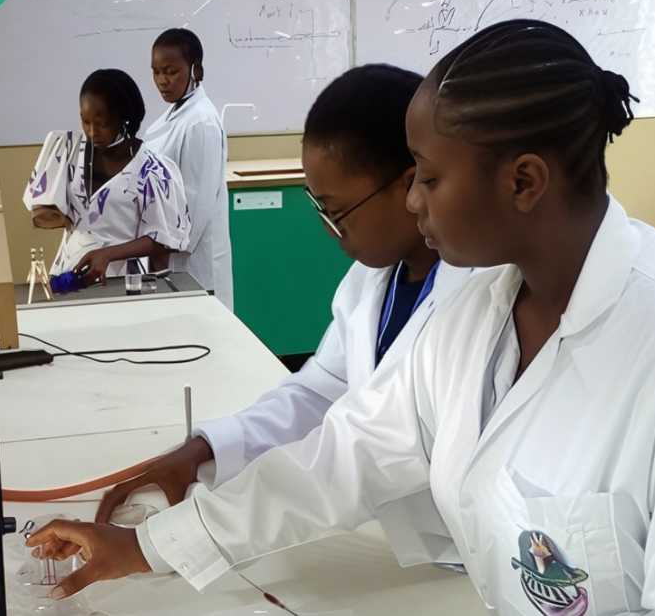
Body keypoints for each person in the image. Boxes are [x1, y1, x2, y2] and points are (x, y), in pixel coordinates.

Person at [27, 21, 655, 615]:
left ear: (525, 181)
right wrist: (150, 546)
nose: (410, 202)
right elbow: (349, 452)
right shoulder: (478, 305)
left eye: (429, 178)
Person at [93, 63, 476, 565]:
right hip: (412, 545)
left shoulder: (475, 296)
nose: (329, 231)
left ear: (412, 185)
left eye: (336, 212)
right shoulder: (370, 282)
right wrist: (204, 450)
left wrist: (162, 545)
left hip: (475, 557)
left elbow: (360, 452)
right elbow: (317, 393)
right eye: (318, 210)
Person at [23, 69, 191, 282]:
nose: (92, 132)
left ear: (124, 119)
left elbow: (164, 239)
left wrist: (108, 254)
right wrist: (50, 212)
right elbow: (46, 214)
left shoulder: (152, 170)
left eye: (102, 124)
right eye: (85, 121)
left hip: (122, 280)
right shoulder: (68, 150)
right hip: (68, 274)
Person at [144, 28, 234, 308]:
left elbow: (197, 207)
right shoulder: (174, 116)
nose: (162, 81)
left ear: (196, 70)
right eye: (156, 71)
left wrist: (162, 253)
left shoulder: (201, 123)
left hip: (192, 264)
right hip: (168, 255)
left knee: (206, 342)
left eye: (171, 71)